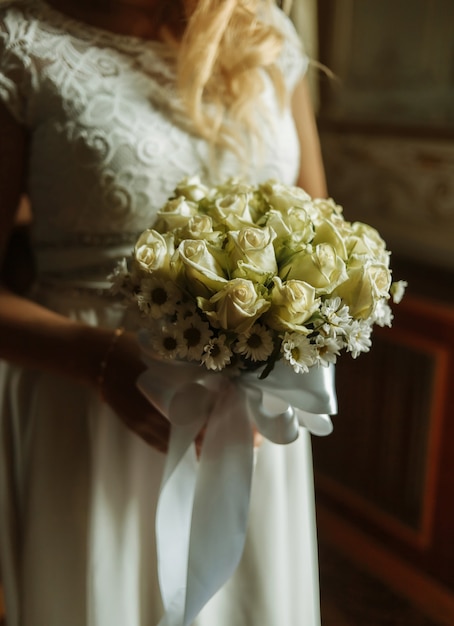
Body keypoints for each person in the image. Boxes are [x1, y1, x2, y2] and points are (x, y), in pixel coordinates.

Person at [0, 0, 327, 624]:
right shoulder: (24, 42)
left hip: (253, 416)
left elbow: (324, 241)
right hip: (92, 412)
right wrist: (101, 361)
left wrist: (287, 354)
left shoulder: (268, 34)